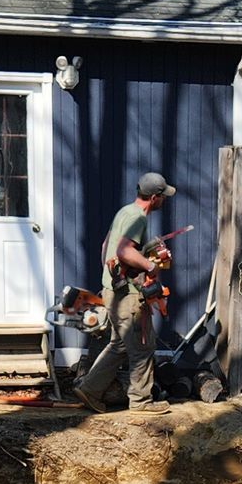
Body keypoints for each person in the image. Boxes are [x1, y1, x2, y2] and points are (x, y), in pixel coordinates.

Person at [77, 170, 174, 410]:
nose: (164, 200)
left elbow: (105, 246)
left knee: (120, 345)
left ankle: (89, 389)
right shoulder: (138, 218)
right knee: (143, 346)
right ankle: (141, 401)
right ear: (154, 197)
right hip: (126, 295)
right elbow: (123, 251)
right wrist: (150, 265)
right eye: (163, 196)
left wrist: (114, 274)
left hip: (111, 290)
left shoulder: (124, 211)